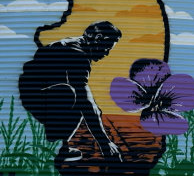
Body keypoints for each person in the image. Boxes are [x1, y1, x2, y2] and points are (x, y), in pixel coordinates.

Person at [18, 20, 123, 164]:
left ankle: (59, 146)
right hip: (34, 95)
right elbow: (85, 99)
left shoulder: (76, 47)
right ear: (98, 39)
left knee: (76, 98)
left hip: (40, 93)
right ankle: (55, 147)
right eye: (107, 48)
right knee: (71, 95)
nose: (107, 53)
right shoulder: (77, 53)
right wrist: (105, 143)